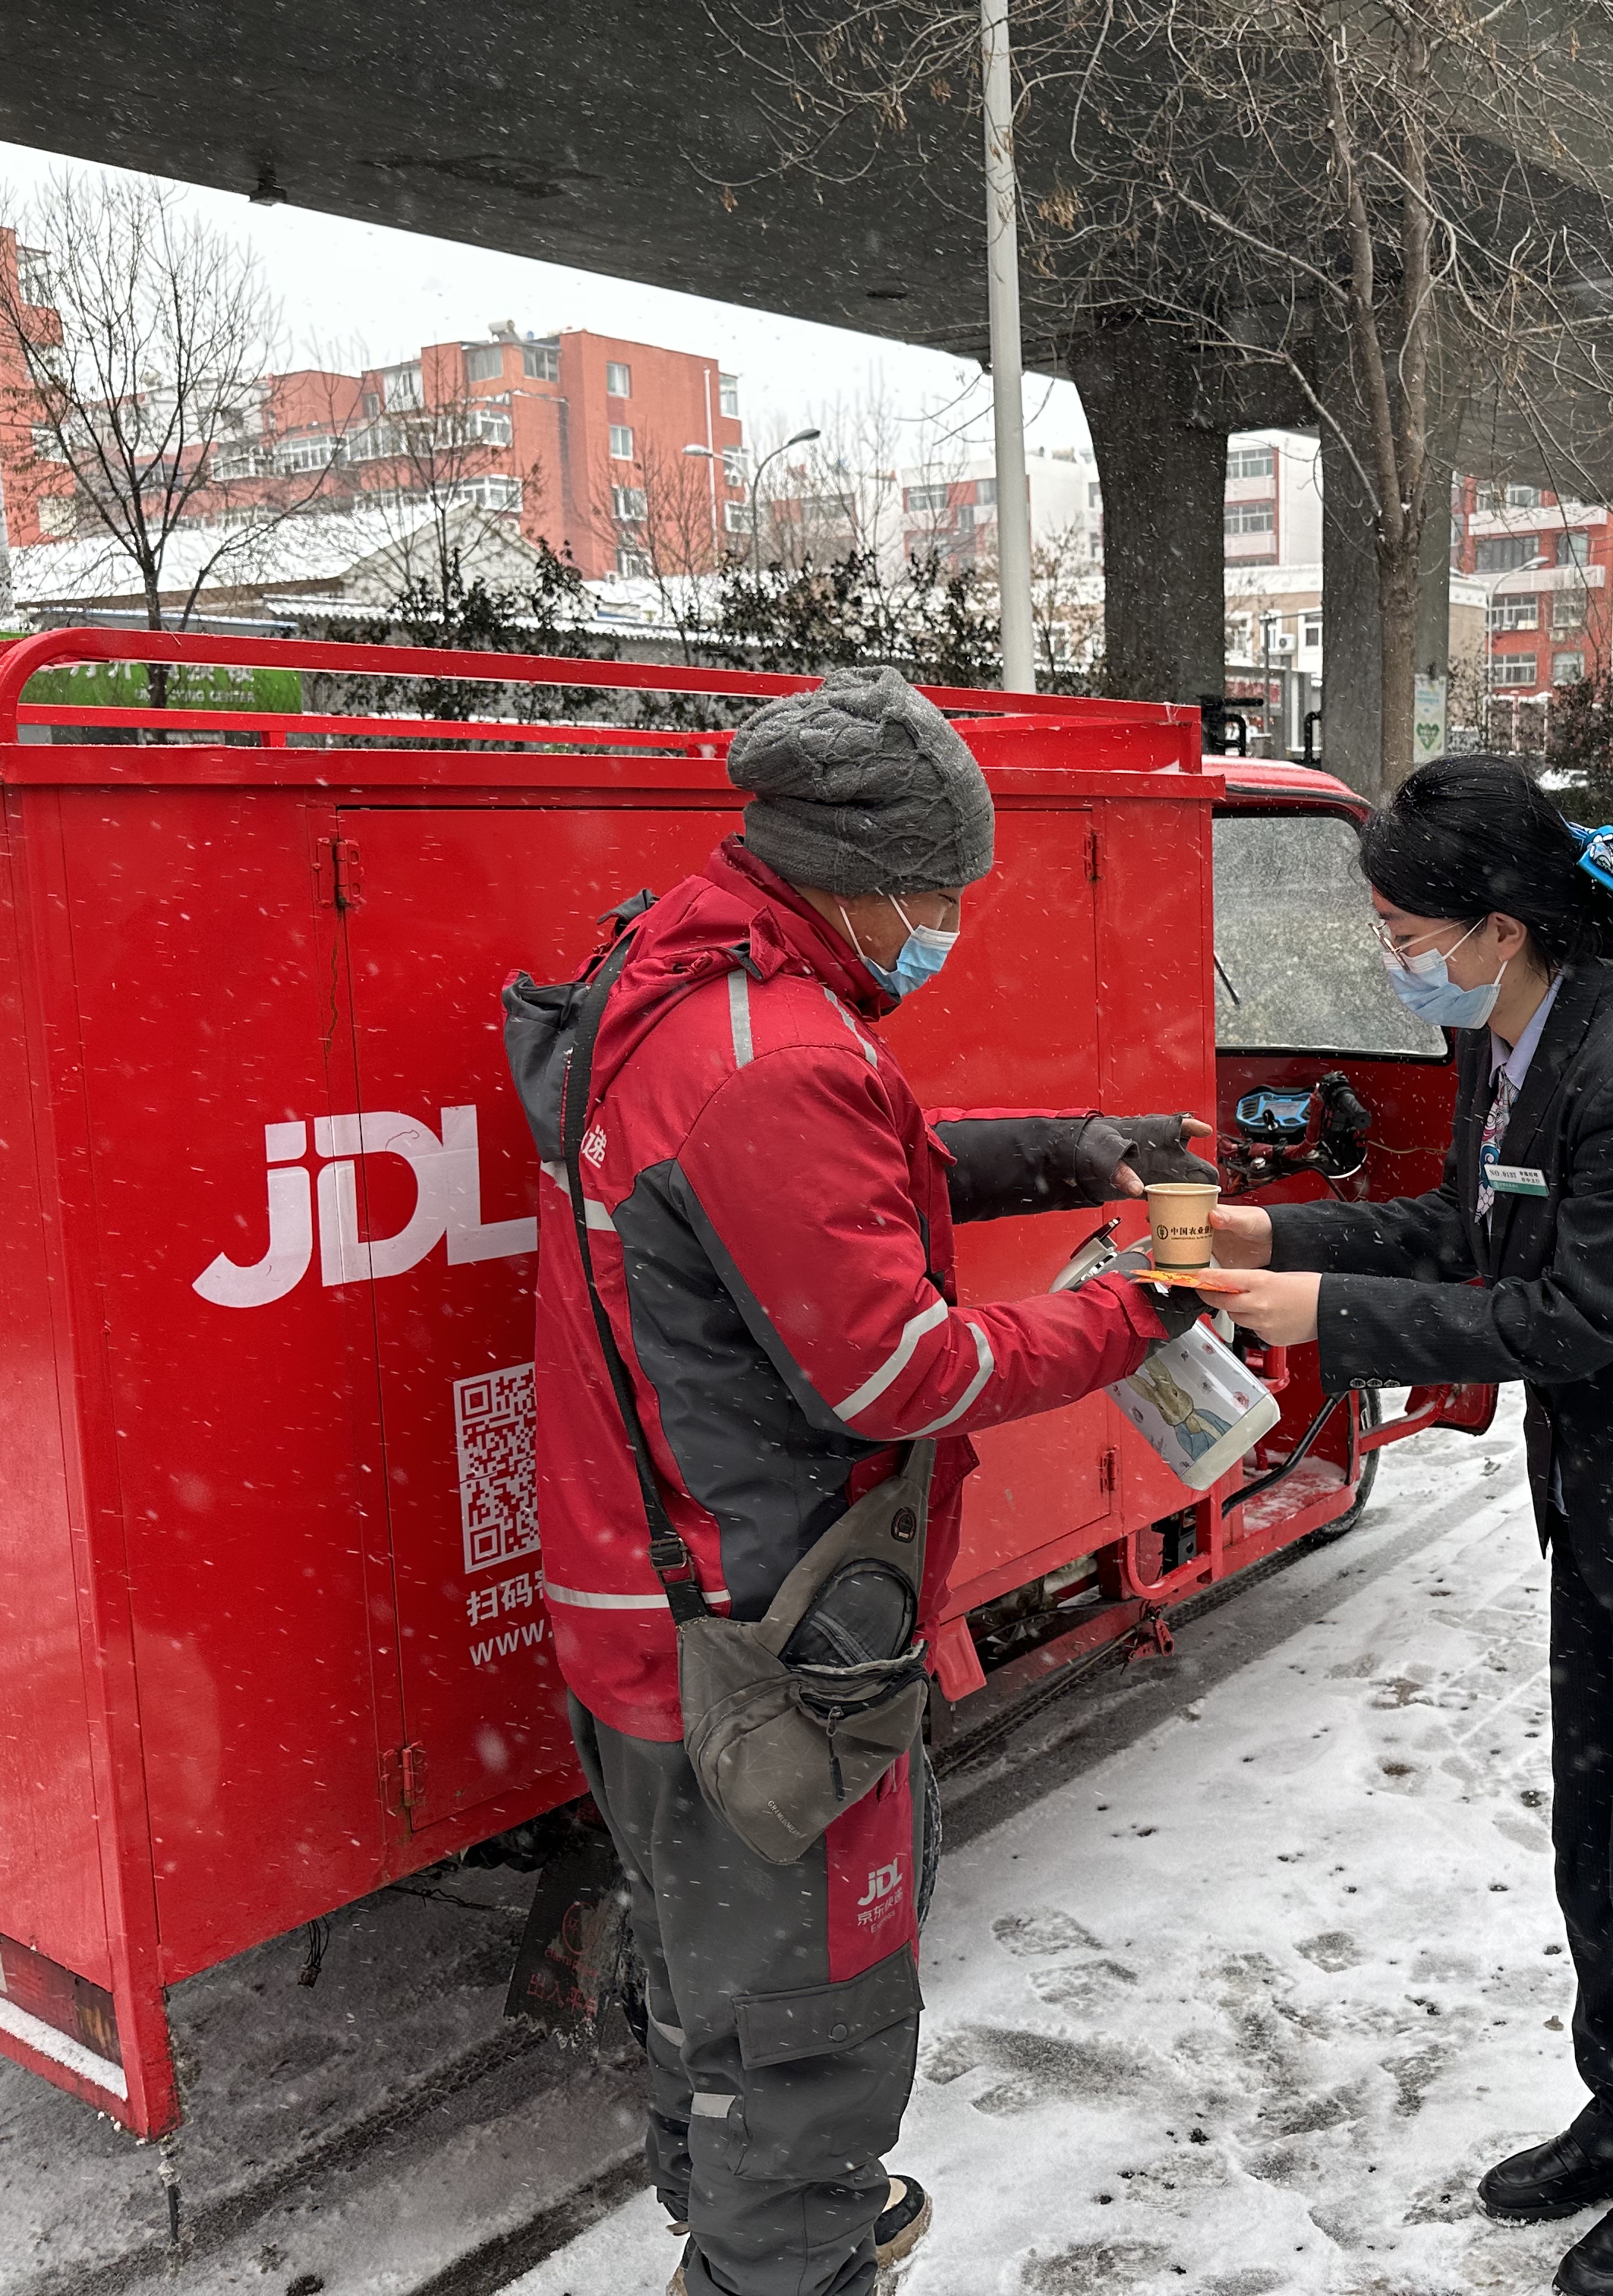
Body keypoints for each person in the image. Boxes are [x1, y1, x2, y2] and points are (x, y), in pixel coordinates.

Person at [503, 665, 1211, 2296]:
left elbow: (831, 1180)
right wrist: (1133, 1310)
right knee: (806, 2039)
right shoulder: (772, 1055)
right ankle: (786, 2263)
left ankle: (741, 2230)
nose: (948, 918)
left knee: (713, 1999)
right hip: (759, 1638)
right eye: (944, 891)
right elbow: (900, 1371)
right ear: (869, 870)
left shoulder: (689, 984)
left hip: (648, 1593)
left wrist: (1067, 1145)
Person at [1208, 756, 1613, 2296]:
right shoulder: (1516, 1049)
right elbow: (1461, 1232)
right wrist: (1275, 1229)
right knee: (1598, 1846)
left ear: (1498, 928)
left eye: (1404, 931)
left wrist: (1320, 1312)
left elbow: (1571, 1319)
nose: (1392, 957)